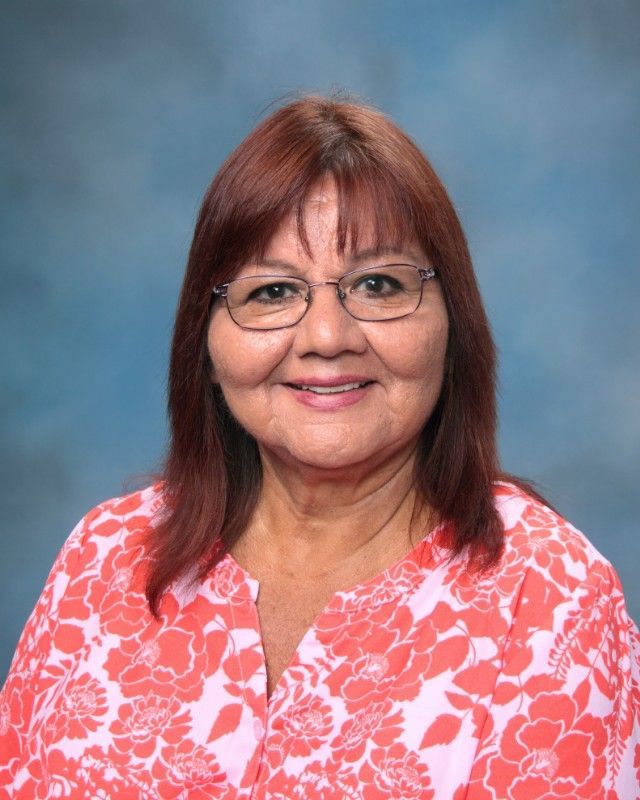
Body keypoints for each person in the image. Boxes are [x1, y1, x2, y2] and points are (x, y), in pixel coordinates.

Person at [1, 95, 638, 800]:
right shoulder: (104, 559)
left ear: (451, 326)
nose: (327, 336)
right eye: (273, 291)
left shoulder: (551, 598)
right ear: (206, 343)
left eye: (378, 284)